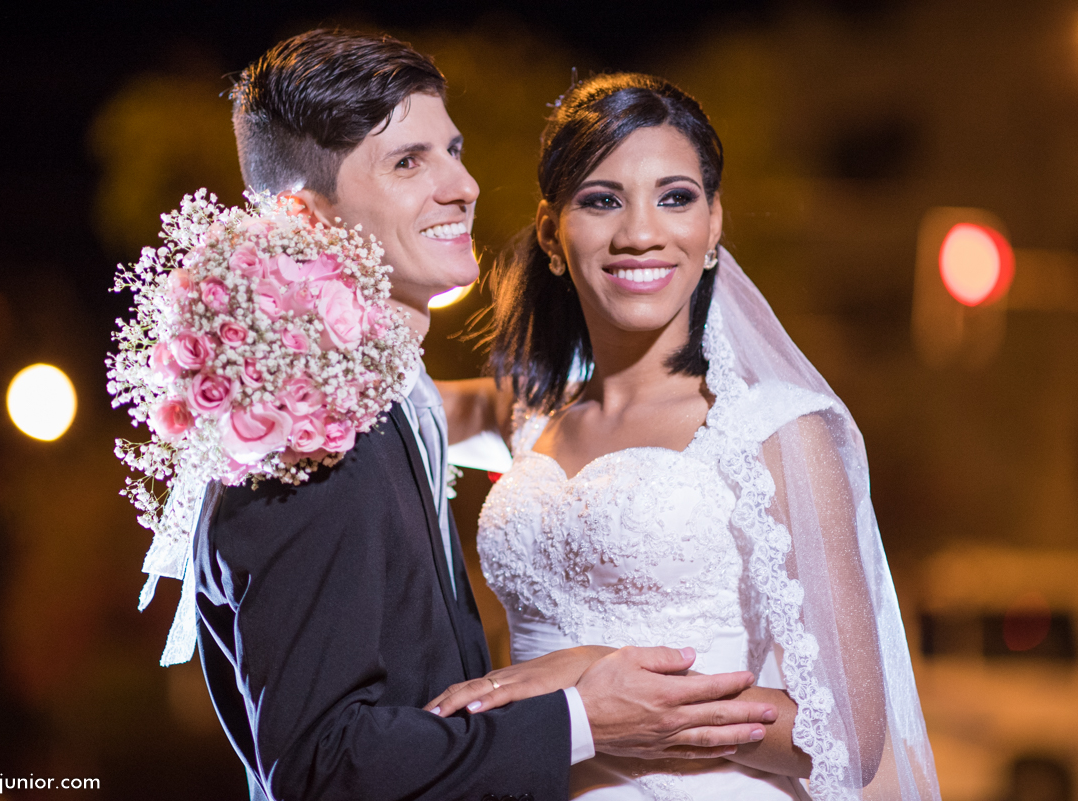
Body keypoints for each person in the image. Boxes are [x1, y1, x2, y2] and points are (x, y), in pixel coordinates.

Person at [192, 32, 782, 801]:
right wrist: (581, 716)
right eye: (408, 162)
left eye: (452, 150)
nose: (464, 185)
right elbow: (321, 766)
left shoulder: (393, 403)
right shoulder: (310, 433)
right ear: (307, 218)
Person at [430, 74, 942, 799]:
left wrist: (588, 671)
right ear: (550, 231)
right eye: (602, 199)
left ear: (713, 226)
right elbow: (365, 396)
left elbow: (846, 741)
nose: (642, 232)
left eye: (676, 197)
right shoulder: (526, 410)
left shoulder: (780, 429)